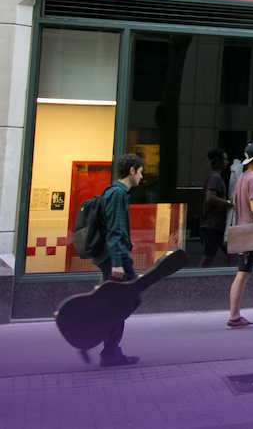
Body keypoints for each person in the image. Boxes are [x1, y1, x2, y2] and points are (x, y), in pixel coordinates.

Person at [82, 153, 145, 367]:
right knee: (128, 301)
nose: (142, 177)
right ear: (132, 171)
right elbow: (114, 230)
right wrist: (117, 262)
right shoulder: (118, 194)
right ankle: (97, 337)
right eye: (140, 172)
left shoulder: (114, 192)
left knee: (120, 303)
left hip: (112, 256)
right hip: (115, 258)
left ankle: (108, 349)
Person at [228, 142, 253, 329]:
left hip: (243, 233)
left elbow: (235, 202)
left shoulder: (242, 178)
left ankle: (234, 316)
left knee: (242, 273)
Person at [198, 148, 233, 268]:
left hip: (214, 223)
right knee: (210, 254)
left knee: (228, 250)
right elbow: (210, 197)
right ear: (218, 160)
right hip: (213, 224)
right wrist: (228, 202)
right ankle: (197, 276)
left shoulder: (215, 177)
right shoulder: (215, 177)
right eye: (225, 159)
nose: (227, 162)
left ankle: (224, 274)